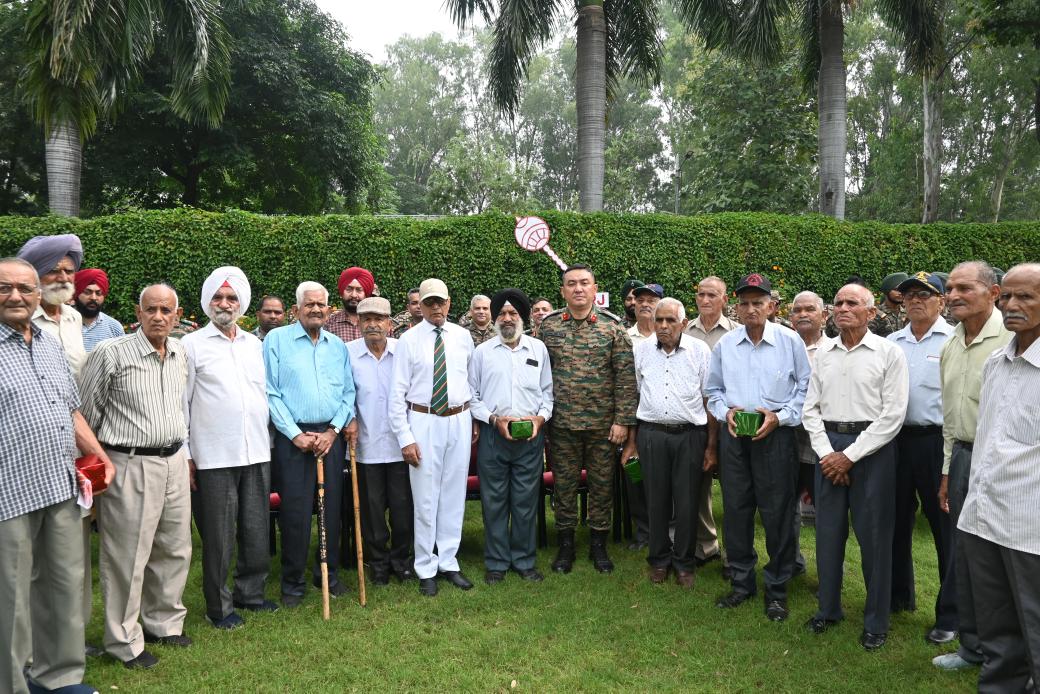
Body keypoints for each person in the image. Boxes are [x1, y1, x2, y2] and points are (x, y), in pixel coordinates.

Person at [0, 256, 113, 694]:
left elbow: (70, 408)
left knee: (63, 584)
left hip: (60, 482)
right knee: (10, 596)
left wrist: (99, 455)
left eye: (24, 289)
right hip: (9, 490)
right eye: (5, 288)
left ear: (37, 294)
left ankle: (60, 676)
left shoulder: (48, 342)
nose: (15, 296)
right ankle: (11, 683)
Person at [79, 284, 192, 669]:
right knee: (127, 556)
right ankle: (124, 641)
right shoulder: (111, 353)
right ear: (137, 313)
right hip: (130, 463)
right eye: (151, 309)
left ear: (177, 315)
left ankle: (164, 623)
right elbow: (86, 414)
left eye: (166, 310)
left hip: (174, 459)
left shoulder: (179, 353)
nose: (158, 316)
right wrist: (94, 467)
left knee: (174, 547)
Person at [802, 283, 908, 651]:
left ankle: (876, 620)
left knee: (875, 537)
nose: (843, 308)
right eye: (838, 303)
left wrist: (851, 456)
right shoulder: (824, 354)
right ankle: (827, 610)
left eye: (852, 303)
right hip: (828, 448)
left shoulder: (888, 353)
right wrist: (827, 453)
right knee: (828, 534)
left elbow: (893, 415)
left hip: (872, 450)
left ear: (872, 312)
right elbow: (810, 409)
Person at [705, 273, 811, 622]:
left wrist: (779, 418)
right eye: (745, 303)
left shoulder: (790, 341)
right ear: (736, 306)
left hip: (776, 438)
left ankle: (777, 589)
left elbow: (805, 390)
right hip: (735, 438)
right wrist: (727, 413)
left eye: (758, 302)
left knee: (777, 513)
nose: (751, 308)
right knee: (736, 510)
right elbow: (714, 392)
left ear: (771, 305)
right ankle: (741, 583)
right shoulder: (725, 345)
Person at [958, 262, 1040, 692]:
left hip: (1031, 530)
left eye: (1025, 296)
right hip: (984, 519)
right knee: (997, 635)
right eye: (1006, 296)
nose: (1011, 305)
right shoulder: (996, 362)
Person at [183, 268, 275, 630]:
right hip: (213, 455)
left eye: (231, 298)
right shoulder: (192, 345)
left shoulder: (254, 345)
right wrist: (188, 455)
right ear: (207, 303)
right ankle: (219, 607)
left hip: (256, 450)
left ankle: (250, 594)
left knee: (256, 528)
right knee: (219, 536)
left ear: (242, 304)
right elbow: (181, 403)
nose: (225, 304)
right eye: (218, 298)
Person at [933, 260, 1012, 672]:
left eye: (965, 287)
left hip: (1006, 465)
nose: (954, 295)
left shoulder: (1014, 338)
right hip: (963, 458)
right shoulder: (951, 341)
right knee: (966, 555)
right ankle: (973, 647)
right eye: (950, 288)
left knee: (1007, 559)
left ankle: (1011, 652)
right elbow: (951, 417)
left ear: (993, 293)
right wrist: (948, 471)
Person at [538, 264, 637, 574]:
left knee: (601, 486)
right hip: (562, 426)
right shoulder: (549, 327)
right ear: (563, 291)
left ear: (595, 290)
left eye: (584, 283)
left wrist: (622, 420)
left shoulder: (612, 327)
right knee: (564, 487)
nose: (578, 289)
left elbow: (625, 377)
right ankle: (566, 545)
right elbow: (538, 376)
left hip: (602, 426)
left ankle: (598, 544)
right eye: (571, 284)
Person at [264, 281, 356, 607]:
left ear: (329, 309)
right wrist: (296, 435)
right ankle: (292, 582)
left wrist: (332, 432)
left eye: (321, 305)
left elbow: (348, 393)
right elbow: (270, 392)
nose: (316, 309)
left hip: (330, 438)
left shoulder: (337, 346)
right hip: (294, 439)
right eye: (309, 304)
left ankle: (327, 574)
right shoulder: (276, 341)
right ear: (296, 309)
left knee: (330, 510)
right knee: (295, 512)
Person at [389, 278, 477, 596]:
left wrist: (473, 418)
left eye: (440, 302)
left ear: (450, 303)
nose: (436, 307)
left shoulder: (464, 337)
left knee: (453, 494)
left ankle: (449, 561)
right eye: (429, 302)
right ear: (420, 305)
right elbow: (396, 393)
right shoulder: (408, 340)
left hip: (458, 418)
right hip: (423, 419)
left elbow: (472, 379)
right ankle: (425, 565)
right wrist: (405, 437)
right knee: (426, 497)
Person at [623, 298, 716, 588]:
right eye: (659, 320)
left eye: (670, 321)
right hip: (651, 435)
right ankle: (659, 560)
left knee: (688, 502)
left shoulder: (700, 352)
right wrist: (632, 443)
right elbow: (634, 397)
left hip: (690, 435)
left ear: (683, 324)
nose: (663, 326)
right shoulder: (640, 351)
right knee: (656, 500)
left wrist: (711, 447)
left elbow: (709, 400)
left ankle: (684, 563)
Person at [886, 272, 956, 644]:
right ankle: (899, 596)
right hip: (897, 441)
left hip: (935, 442)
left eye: (926, 295)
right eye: (910, 294)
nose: (916, 301)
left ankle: (949, 614)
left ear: (941, 301)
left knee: (943, 530)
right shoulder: (892, 342)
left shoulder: (953, 340)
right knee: (896, 522)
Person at [469, 289, 553, 585]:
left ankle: (524, 561)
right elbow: (473, 397)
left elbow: (548, 395)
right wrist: (493, 419)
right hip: (494, 435)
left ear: (523, 317)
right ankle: (496, 563)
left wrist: (539, 419)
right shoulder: (482, 353)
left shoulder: (538, 349)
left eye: (513, 313)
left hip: (530, 439)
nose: (507, 318)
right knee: (494, 501)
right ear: (495, 318)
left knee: (525, 501)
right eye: (502, 313)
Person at [344, 297, 415, 586]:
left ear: (389, 323)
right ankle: (378, 563)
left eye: (379, 319)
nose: (373, 325)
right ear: (359, 323)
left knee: (402, 508)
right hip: (366, 445)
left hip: (401, 444)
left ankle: (402, 560)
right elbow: (343, 392)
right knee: (371, 511)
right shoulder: (347, 353)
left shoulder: (403, 352)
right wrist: (349, 419)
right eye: (366, 319)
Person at [683, 275, 737, 571]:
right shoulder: (684, 330)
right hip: (693, 420)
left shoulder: (736, 333)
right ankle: (706, 545)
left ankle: (734, 552)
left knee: (733, 491)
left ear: (724, 299)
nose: (705, 300)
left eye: (712, 295)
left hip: (728, 420)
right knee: (698, 487)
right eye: (701, 294)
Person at [788, 291, 828, 566]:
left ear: (824, 316)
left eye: (810, 309)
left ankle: (827, 573)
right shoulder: (783, 348)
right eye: (797, 310)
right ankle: (791, 562)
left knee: (827, 510)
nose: (803, 314)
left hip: (822, 442)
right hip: (787, 439)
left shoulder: (834, 350)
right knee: (786, 506)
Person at [624, 281, 662, 551]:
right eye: (641, 300)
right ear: (633, 305)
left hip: (664, 417)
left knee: (665, 480)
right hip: (634, 418)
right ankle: (643, 531)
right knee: (636, 476)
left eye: (652, 300)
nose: (646, 304)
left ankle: (665, 531)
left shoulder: (669, 334)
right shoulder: (624, 337)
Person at [17, 233, 87, 378]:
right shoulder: (20, 320)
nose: (63, 278)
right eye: (53, 271)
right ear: (35, 276)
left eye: (69, 271)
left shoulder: (75, 317)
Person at [74, 269, 125, 352]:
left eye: (98, 293)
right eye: (87, 292)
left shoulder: (114, 328)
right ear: (77, 294)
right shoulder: (63, 323)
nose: (93, 298)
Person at [326, 266, 375, 343]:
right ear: (342, 293)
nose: (354, 295)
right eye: (349, 289)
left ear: (366, 294)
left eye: (359, 290)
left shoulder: (379, 324)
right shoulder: (328, 325)